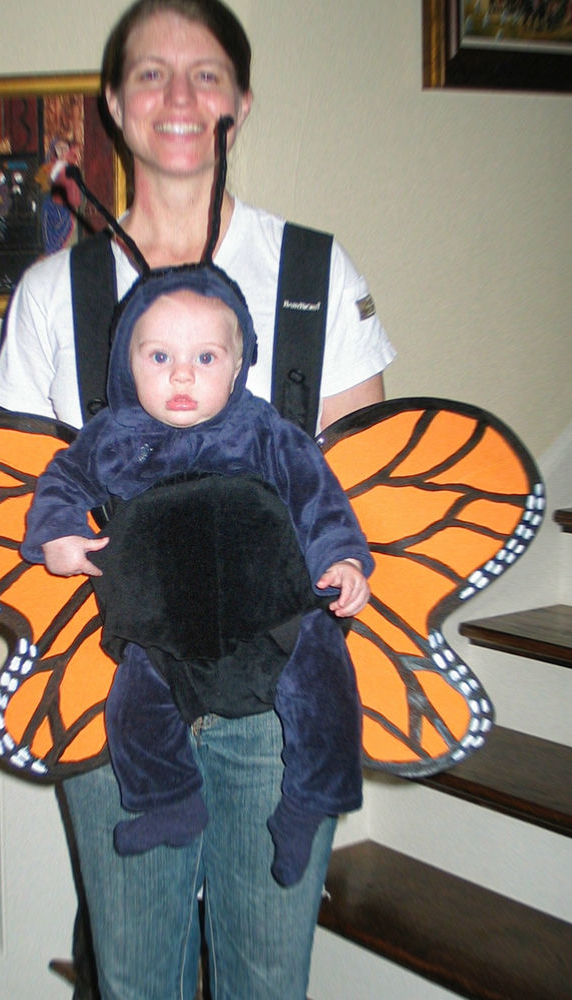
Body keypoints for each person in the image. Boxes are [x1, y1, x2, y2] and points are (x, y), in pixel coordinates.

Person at [0, 2, 396, 995]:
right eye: (150, 73)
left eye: (205, 73)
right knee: (136, 979)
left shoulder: (312, 273)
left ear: (240, 103)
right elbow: (17, 487)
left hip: (280, 692)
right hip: (117, 681)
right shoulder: (53, 291)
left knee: (268, 977)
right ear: (114, 105)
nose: (177, 95)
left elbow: (364, 480)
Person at [20, 266, 372, 889]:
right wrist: (58, 531)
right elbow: (63, 480)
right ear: (127, 362)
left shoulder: (266, 431)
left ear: (237, 367)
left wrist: (341, 558)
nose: (182, 375)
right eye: (160, 357)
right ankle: (170, 801)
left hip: (276, 611)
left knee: (324, 678)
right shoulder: (113, 437)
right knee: (134, 704)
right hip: (163, 626)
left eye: (205, 358)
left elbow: (318, 497)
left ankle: (311, 800)